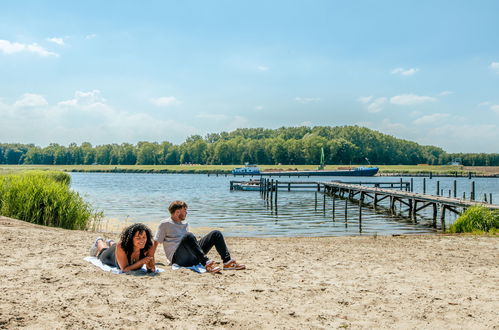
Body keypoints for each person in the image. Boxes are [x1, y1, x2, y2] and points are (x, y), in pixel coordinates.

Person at [151, 200, 245, 273]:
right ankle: (206, 262)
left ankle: (227, 262)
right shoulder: (165, 224)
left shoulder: (185, 224)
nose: (186, 213)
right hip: (178, 258)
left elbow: (191, 243)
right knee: (189, 236)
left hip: (191, 256)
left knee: (216, 233)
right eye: (185, 211)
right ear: (177, 212)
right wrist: (151, 260)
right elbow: (156, 242)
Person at [90, 223, 155, 273]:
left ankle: (110, 242)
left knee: (115, 245)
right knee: (103, 251)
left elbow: (151, 268)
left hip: (118, 248)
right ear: (131, 239)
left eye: (144, 237)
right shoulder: (122, 246)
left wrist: (150, 266)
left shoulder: (149, 245)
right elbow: (124, 269)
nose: (142, 241)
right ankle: (99, 241)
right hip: (112, 256)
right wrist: (141, 262)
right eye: (138, 238)